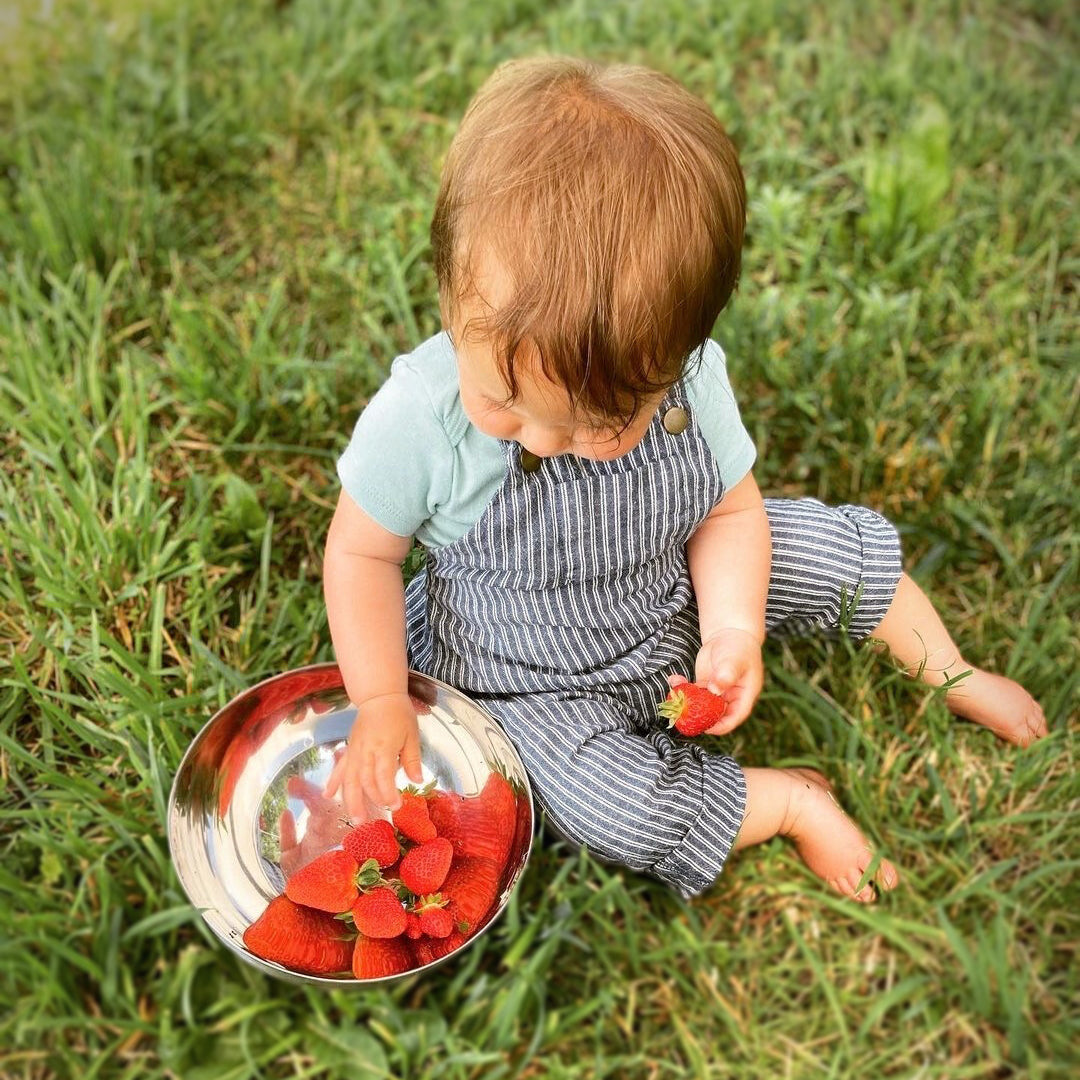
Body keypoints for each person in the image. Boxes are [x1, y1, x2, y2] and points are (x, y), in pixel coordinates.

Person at [321, 55, 1047, 902]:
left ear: (678, 356)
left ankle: (950, 671)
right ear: (448, 298)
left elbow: (730, 514)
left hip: (677, 587)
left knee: (826, 548)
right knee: (602, 807)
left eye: (601, 422)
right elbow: (361, 558)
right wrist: (378, 700)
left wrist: (734, 629)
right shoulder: (421, 418)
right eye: (506, 406)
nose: (549, 443)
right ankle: (785, 803)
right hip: (529, 681)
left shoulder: (693, 384)